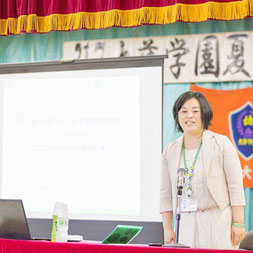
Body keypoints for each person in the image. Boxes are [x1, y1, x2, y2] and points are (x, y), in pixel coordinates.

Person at [160, 91, 245, 249]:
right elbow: (165, 193)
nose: (189, 116)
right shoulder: (170, 150)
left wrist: (238, 223)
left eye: (195, 111)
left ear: (204, 114)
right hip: (185, 224)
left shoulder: (221, 143)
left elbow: (235, 186)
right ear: (177, 116)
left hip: (217, 220)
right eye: (184, 111)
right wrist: (167, 228)